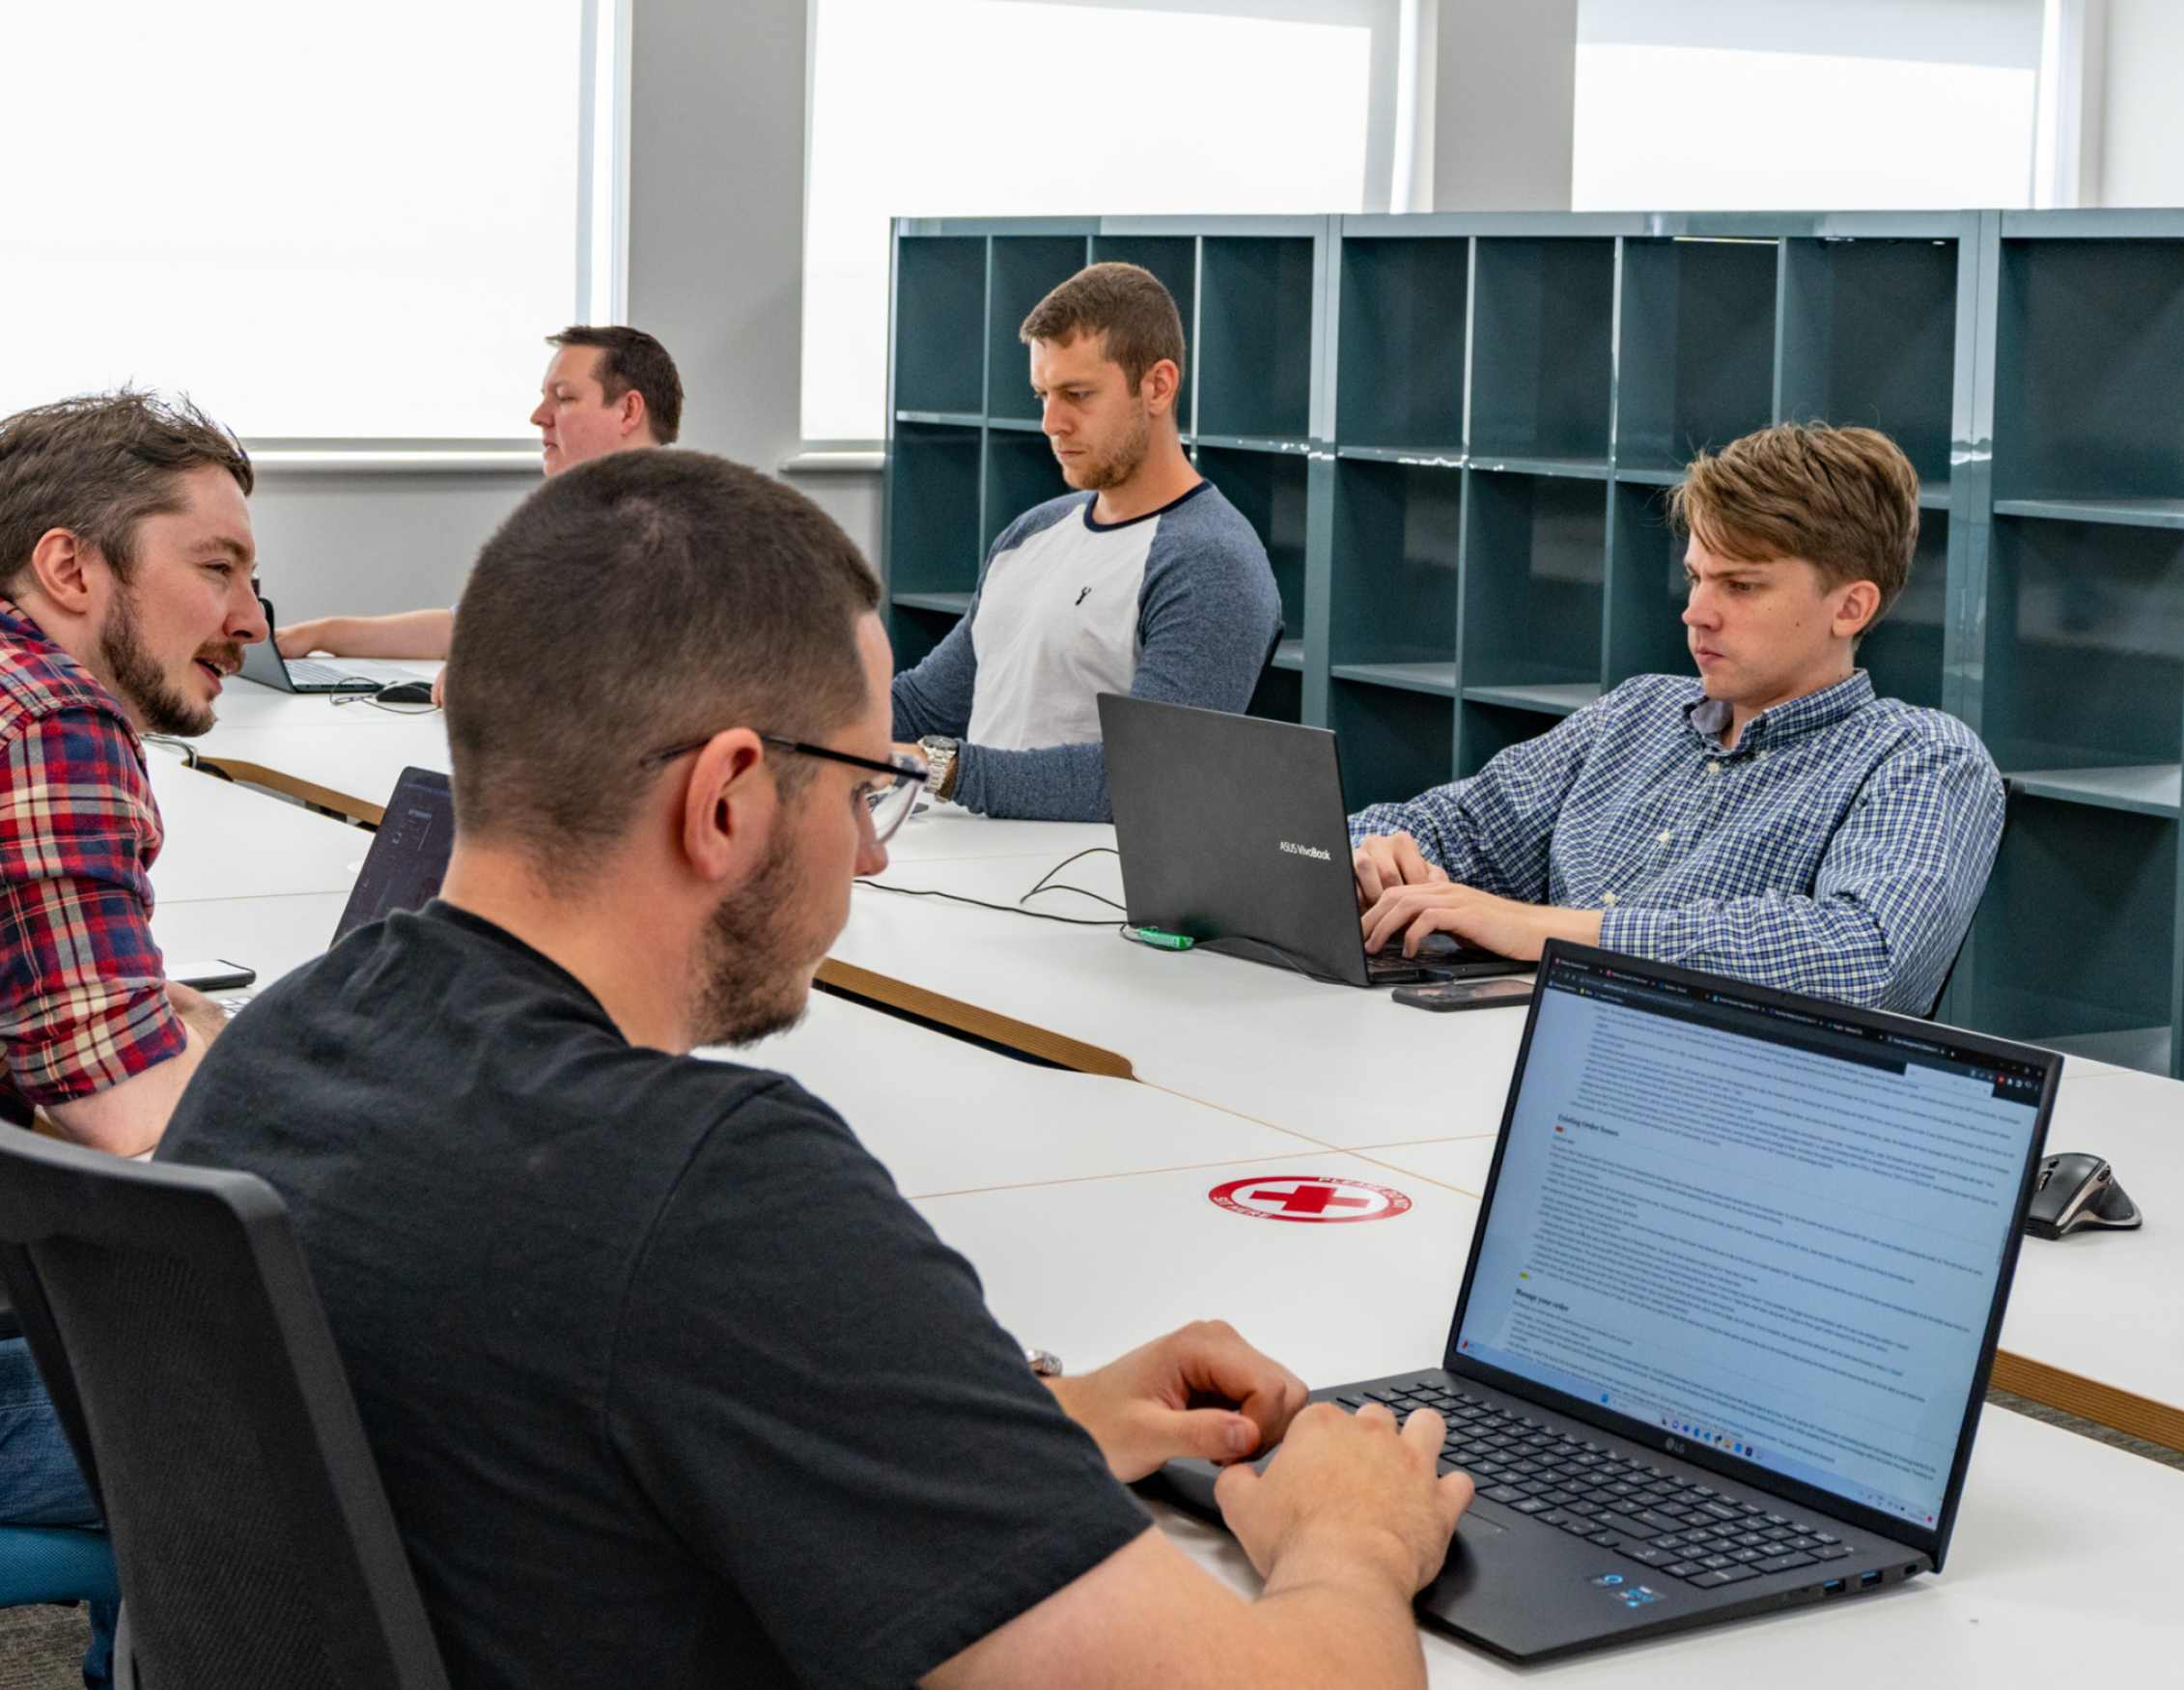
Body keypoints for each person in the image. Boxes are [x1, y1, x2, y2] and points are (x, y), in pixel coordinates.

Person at [157, 450, 1464, 1687]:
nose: (874, 851)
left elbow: (574, 1408)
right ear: (727, 797)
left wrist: (1013, 1427)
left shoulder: (275, 1049)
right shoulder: (712, 1193)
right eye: (859, 789)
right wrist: (1352, 1535)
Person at [1345, 422, 2002, 1015]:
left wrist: (1546, 931)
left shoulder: (1920, 755)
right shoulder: (1640, 712)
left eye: (1740, 586)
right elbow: (1462, 828)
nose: (1696, 613)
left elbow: (1864, 957)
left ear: (1851, 608)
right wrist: (1376, 858)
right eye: (1696, 578)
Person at [0, 387, 267, 1682]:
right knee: (356, 1429)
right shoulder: (49, 716)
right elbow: (136, 1128)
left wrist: (186, 1029)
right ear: (70, 567)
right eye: (216, 568)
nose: (250, 619)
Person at [889, 262, 1279, 821]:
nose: (1051, 422)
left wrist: (941, 768)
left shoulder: (1212, 563)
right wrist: (805, 725)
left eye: (1077, 394)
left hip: (1084, 873)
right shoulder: (1031, 532)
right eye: (1042, 395)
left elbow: (1145, 773)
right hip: (966, 855)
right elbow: (925, 705)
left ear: (1158, 386)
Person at [272, 324, 682, 662]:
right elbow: (470, 629)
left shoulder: (684, 532)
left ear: (628, 411)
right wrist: (320, 635)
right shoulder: (574, 523)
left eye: (564, 398)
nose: (538, 417)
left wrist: (492, 676)